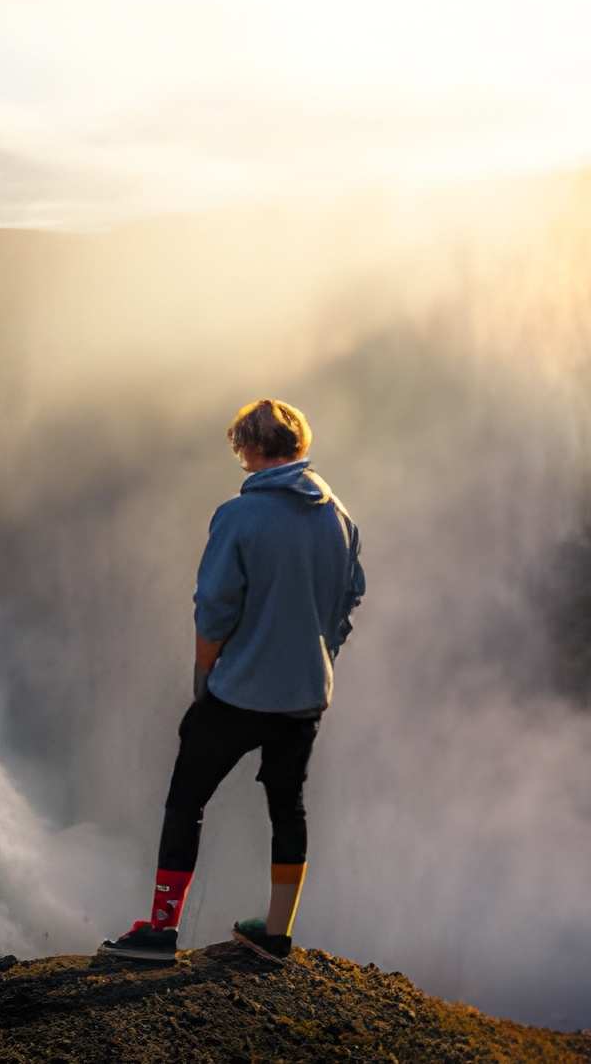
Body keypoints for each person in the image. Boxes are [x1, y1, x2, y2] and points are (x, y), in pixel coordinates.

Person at [100, 398, 365, 963]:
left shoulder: (238, 516)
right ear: (300, 444)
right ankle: (275, 932)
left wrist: (204, 675)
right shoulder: (340, 516)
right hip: (305, 693)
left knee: (186, 800)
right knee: (288, 805)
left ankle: (161, 932)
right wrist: (321, 655)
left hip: (240, 690)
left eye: (240, 448)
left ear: (247, 447)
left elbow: (215, 606)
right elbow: (349, 599)